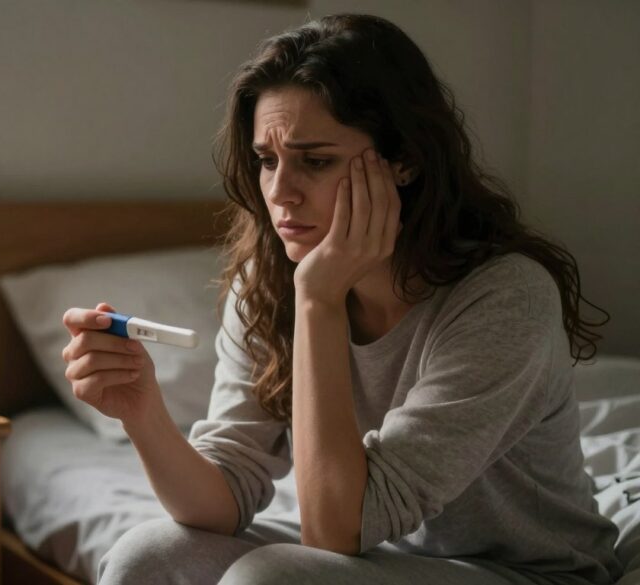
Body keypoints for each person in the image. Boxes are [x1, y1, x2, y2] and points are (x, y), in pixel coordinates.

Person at [61, 13, 622, 585]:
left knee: (273, 578)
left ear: (405, 160)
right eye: (267, 160)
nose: (280, 192)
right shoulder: (268, 280)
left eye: (317, 160)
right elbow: (223, 498)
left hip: (521, 569)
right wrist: (142, 411)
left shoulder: (505, 297)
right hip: (378, 556)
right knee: (146, 556)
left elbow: (335, 531)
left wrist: (319, 301)